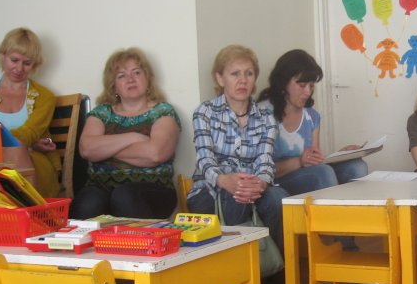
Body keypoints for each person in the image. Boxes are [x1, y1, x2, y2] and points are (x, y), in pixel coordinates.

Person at [186, 44, 288, 255]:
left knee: (277, 198)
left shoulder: (266, 117)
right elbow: (205, 160)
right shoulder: (204, 112)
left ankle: (278, 265)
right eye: (235, 74)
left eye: (249, 74)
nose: (243, 80)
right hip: (210, 190)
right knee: (236, 199)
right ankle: (238, 268)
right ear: (220, 78)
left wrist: (260, 183)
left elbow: (265, 160)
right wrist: (225, 181)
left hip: (253, 187)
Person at [69, 47, 181, 219]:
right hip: (100, 186)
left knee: (124, 196)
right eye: (121, 75)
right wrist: (134, 137)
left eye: (136, 72)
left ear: (148, 78)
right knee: (87, 202)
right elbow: (87, 149)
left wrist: (105, 150)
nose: (130, 79)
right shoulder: (102, 112)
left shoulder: (163, 111)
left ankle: (138, 238)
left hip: (154, 188)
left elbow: (155, 154)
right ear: (113, 85)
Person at [257, 49, 368, 195]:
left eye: (311, 86)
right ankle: (332, 209)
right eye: (302, 85)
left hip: (307, 175)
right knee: (322, 173)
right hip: (276, 181)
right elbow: (256, 170)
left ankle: (353, 209)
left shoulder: (312, 116)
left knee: (356, 166)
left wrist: (342, 155)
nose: (308, 92)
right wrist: (299, 161)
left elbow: (314, 160)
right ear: (283, 82)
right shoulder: (262, 113)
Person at [0, 27, 61, 197]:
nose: (19, 68)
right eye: (14, 60)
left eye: (27, 63)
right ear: (2, 55)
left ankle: (28, 208)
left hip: (33, 162)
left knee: (18, 146)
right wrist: (29, 143)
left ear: (35, 64)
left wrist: (24, 143)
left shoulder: (46, 97)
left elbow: (29, 133)